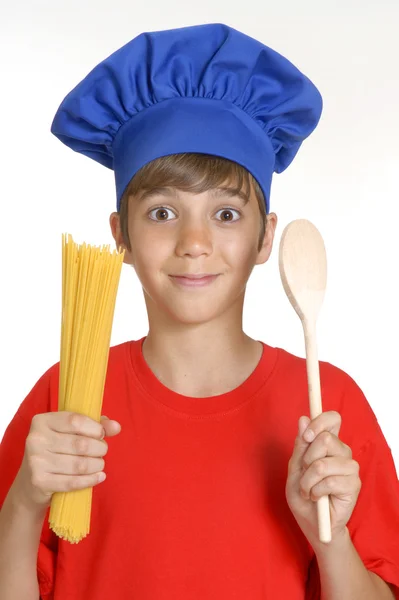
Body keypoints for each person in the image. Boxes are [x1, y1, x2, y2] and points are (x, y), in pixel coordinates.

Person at [0, 22, 398, 600]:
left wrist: (330, 538)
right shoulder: (66, 401)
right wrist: (22, 505)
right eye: (163, 212)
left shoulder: (327, 408)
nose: (194, 241)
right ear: (122, 236)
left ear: (265, 239)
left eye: (227, 214)